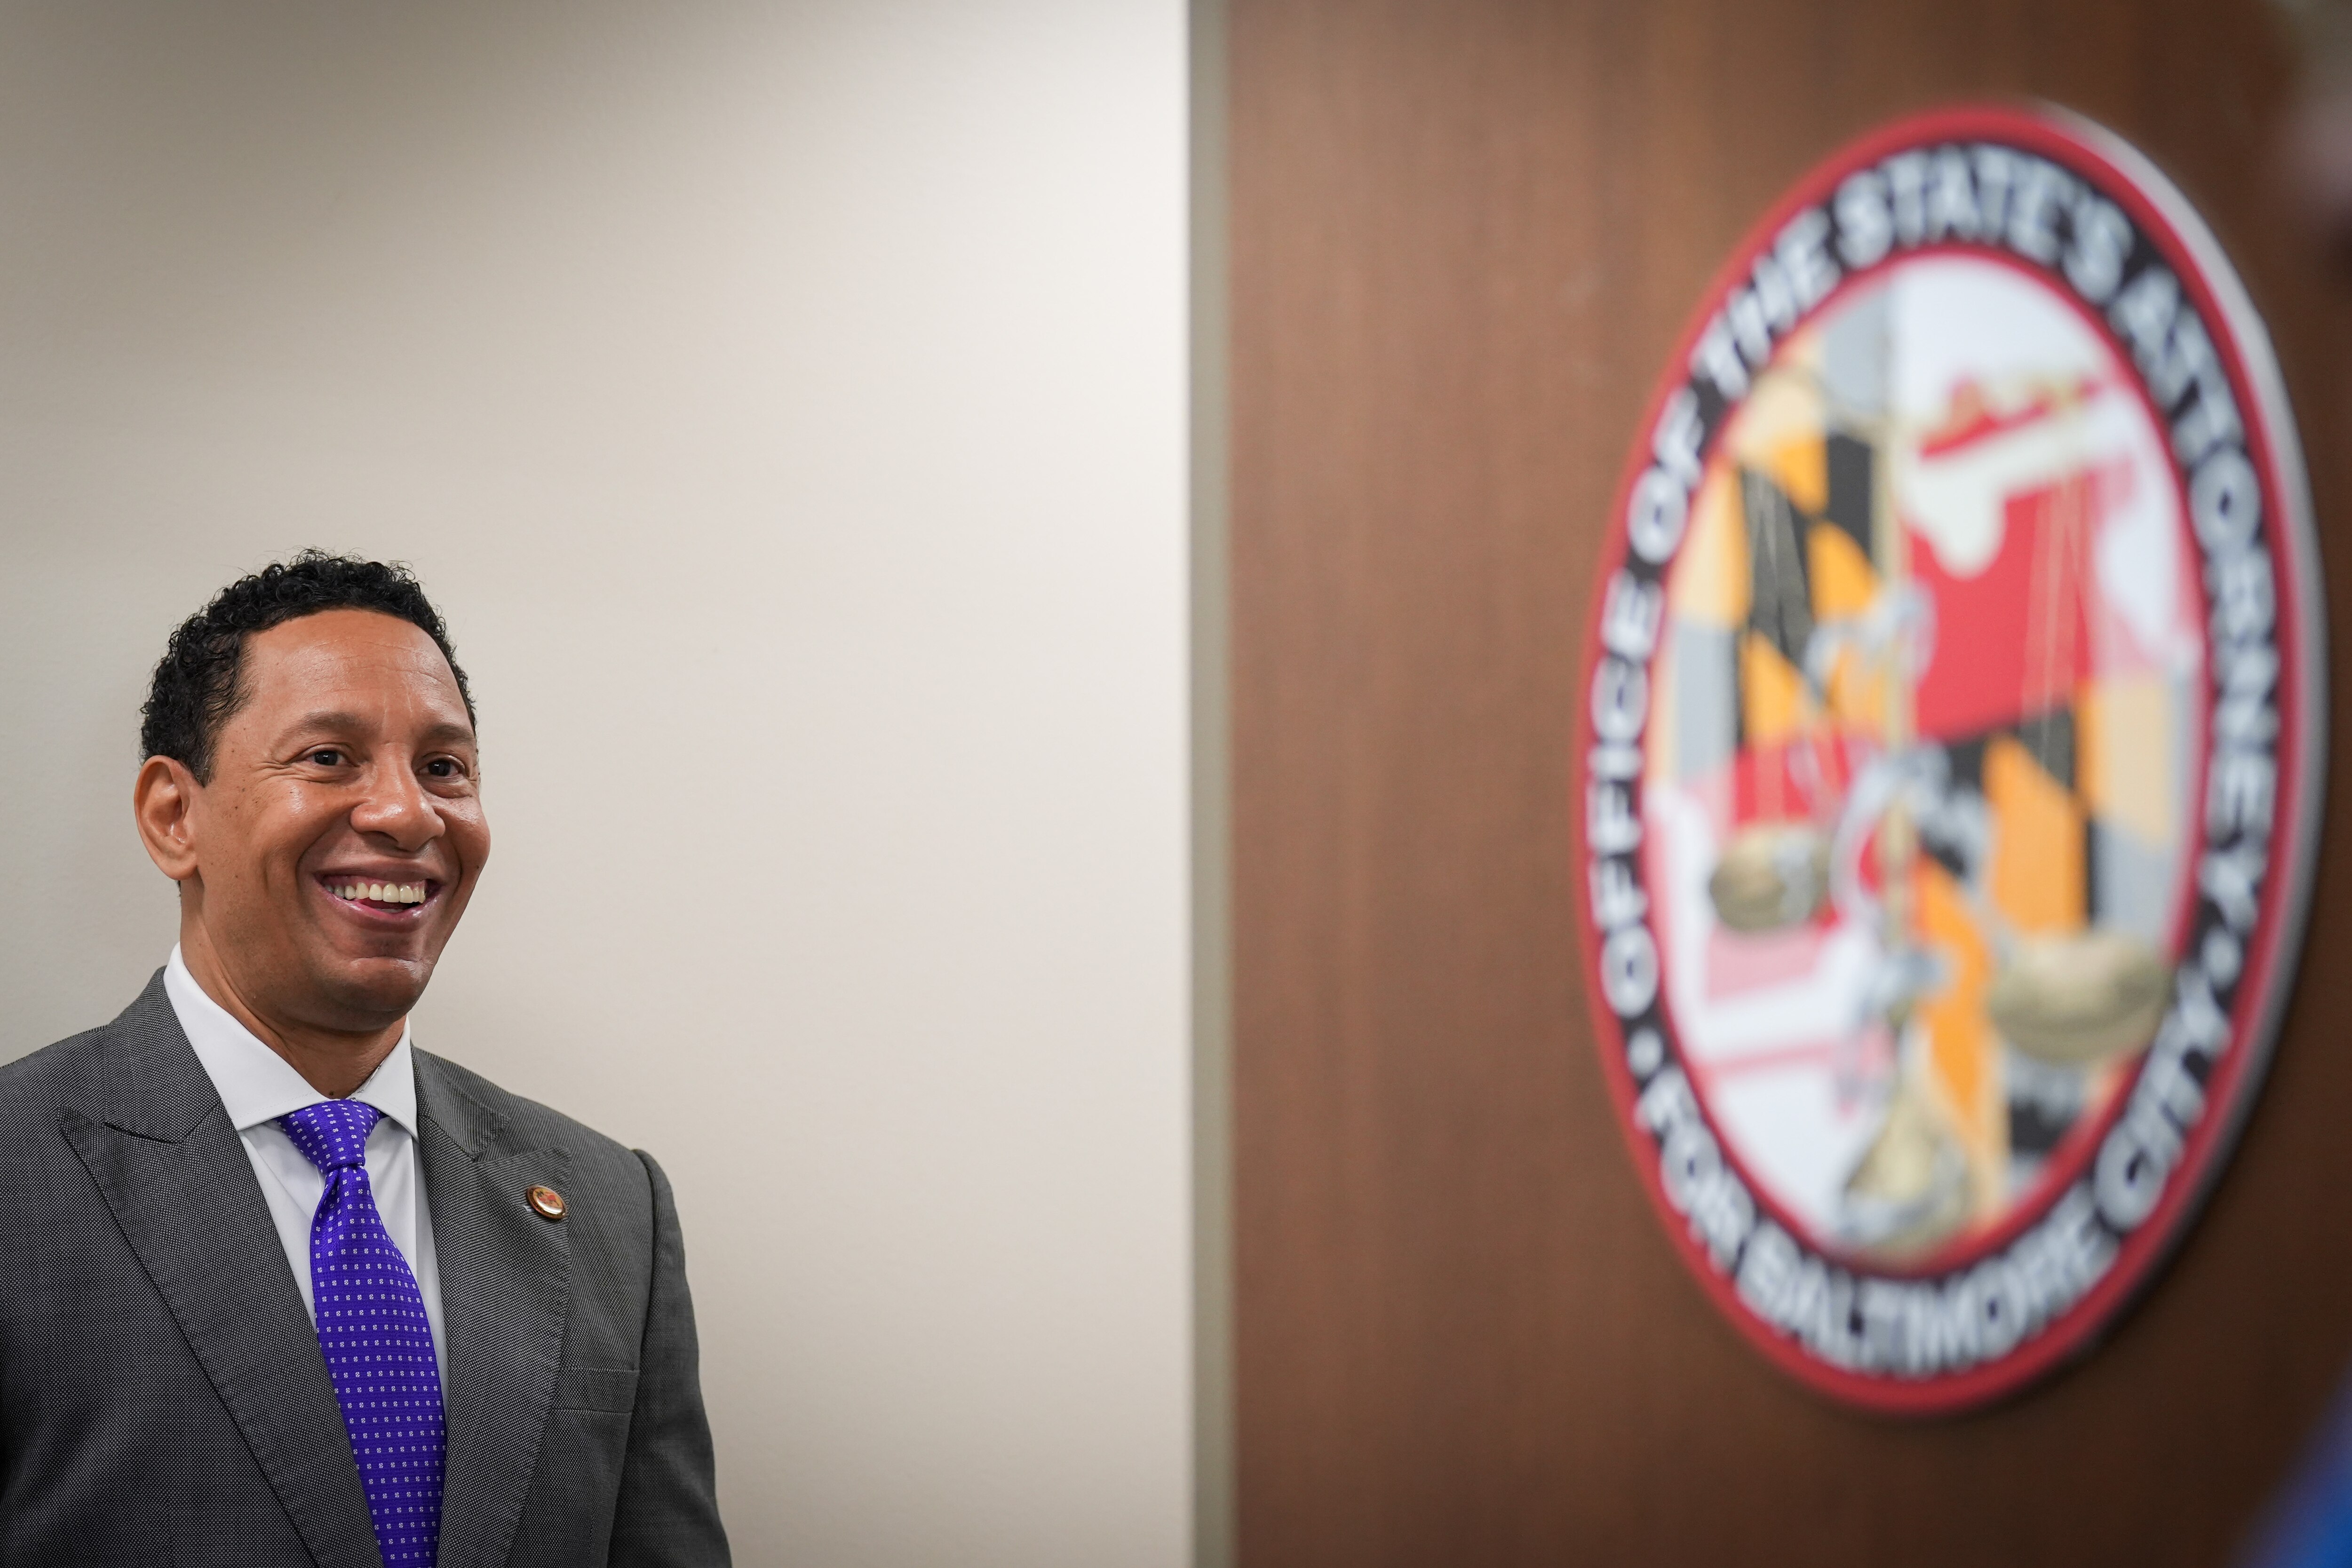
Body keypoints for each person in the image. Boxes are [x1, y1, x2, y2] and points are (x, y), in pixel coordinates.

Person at [0, 553, 730, 1567]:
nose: (407, 812)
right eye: (330, 756)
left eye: (444, 767)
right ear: (175, 817)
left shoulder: (611, 1205)